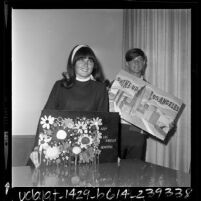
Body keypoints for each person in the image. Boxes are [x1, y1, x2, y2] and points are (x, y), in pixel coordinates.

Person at [28, 44, 109, 167]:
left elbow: (105, 124)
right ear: (73, 63)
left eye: (90, 61)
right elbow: (46, 118)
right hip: (58, 148)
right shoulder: (60, 86)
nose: (86, 65)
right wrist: (36, 147)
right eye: (81, 59)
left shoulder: (100, 89)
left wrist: (110, 150)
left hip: (87, 151)